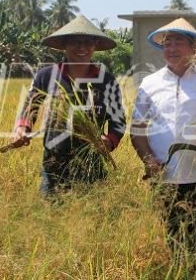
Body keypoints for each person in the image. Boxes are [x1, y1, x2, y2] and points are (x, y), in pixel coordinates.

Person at [130, 18, 196, 253]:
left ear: (193, 48)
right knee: (168, 240)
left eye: (179, 42)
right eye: (167, 43)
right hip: (163, 176)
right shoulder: (149, 83)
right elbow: (137, 130)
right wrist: (148, 160)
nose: (172, 48)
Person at [13, 15, 126, 197]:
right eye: (75, 42)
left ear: (95, 45)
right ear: (65, 45)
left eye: (87, 42)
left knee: (92, 221)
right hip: (54, 165)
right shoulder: (47, 76)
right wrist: (22, 128)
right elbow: (30, 106)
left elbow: (118, 122)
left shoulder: (106, 81)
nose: (81, 48)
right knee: (53, 220)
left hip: (91, 166)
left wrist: (109, 141)